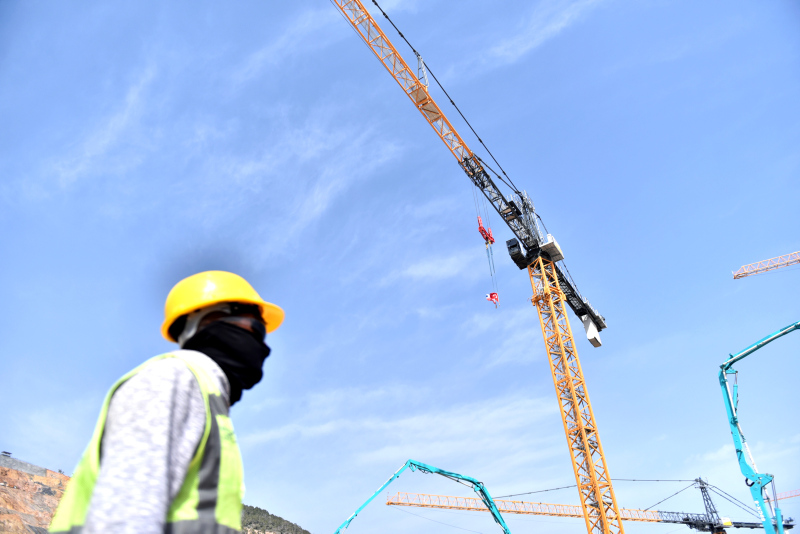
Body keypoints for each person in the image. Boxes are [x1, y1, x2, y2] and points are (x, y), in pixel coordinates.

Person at [49, 271, 284, 534]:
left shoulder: (207, 398)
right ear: (204, 320)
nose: (261, 343)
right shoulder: (172, 379)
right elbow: (125, 517)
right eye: (255, 327)